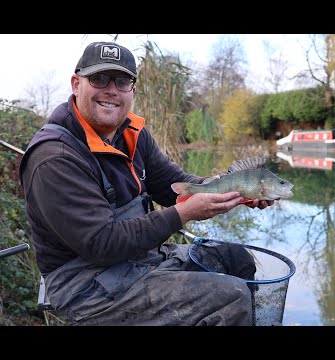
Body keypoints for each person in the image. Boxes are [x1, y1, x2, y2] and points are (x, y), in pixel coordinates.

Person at [19, 41, 274, 326]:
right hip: (84, 286)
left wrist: (235, 190)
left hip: (138, 261)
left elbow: (174, 184)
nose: (111, 90)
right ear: (76, 84)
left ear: (133, 91)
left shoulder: (132, 133)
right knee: (232, 297)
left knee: (236, 259)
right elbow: (102, 243)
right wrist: (184, 214)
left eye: (122, 81)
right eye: (99, 79)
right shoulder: (54, 158)